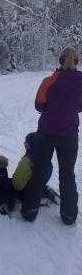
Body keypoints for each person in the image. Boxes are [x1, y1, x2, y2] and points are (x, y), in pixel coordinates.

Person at [21, 47, 82, 224]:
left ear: (60, 61)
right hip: (69, 135)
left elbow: (39, 106)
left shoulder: (49, 81)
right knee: (67, 174)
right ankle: (69, 216)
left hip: (46, 132)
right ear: (76, 62)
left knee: (38, 170)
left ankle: (29, 211)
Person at [12, 132, 59, 204]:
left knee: (16, 192)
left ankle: (37, 200)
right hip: (40, 184)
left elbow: (18, 184)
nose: (24, 143)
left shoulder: (27, 160)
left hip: (28, 189)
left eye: (26, 142)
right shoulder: (45, 156)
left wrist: (14, 186)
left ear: (32, 145)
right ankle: (43, 191)